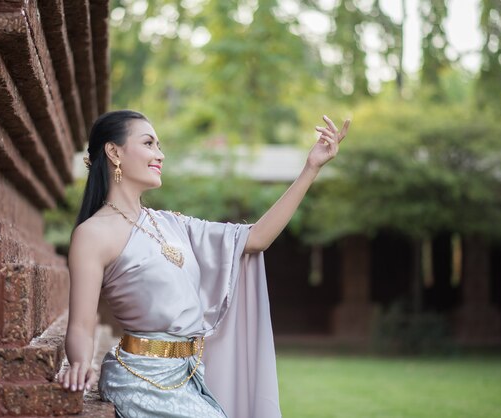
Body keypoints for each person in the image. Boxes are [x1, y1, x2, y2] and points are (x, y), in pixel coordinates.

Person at [56, 110, 350, 418]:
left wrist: (311, 168)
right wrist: (79, 363)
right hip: (140, 380)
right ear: (114, 151)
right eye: (149, 144)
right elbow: (80, 325)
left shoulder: (172, 225)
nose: (160, 154)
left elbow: (255, 239)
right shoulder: (93, 234)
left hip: (189, 376)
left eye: (159, 145)